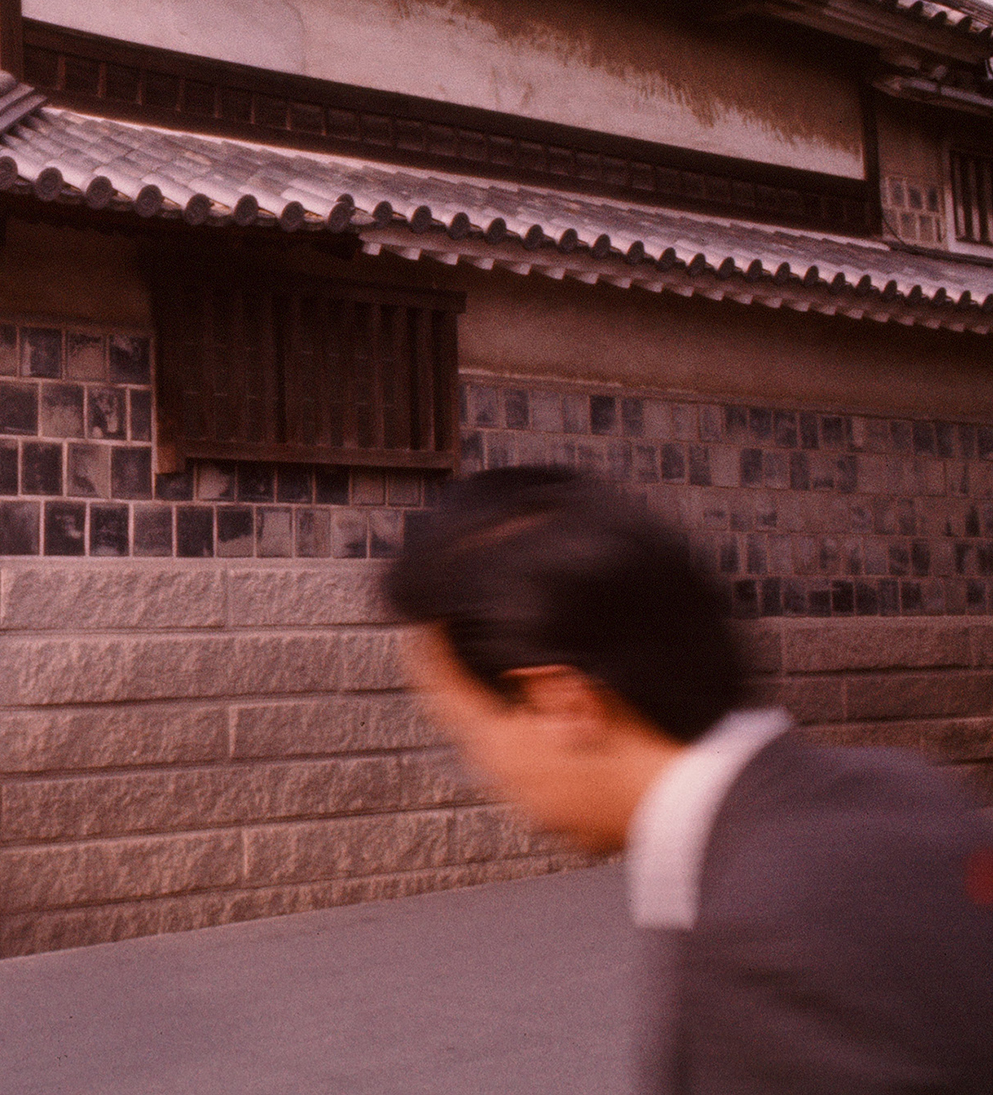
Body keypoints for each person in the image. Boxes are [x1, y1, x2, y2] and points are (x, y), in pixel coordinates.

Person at [383, 466, 993, 1094]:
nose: (480, 773)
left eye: (465, 735)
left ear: (562, 703)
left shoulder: (760, 934)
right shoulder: (909, 789)